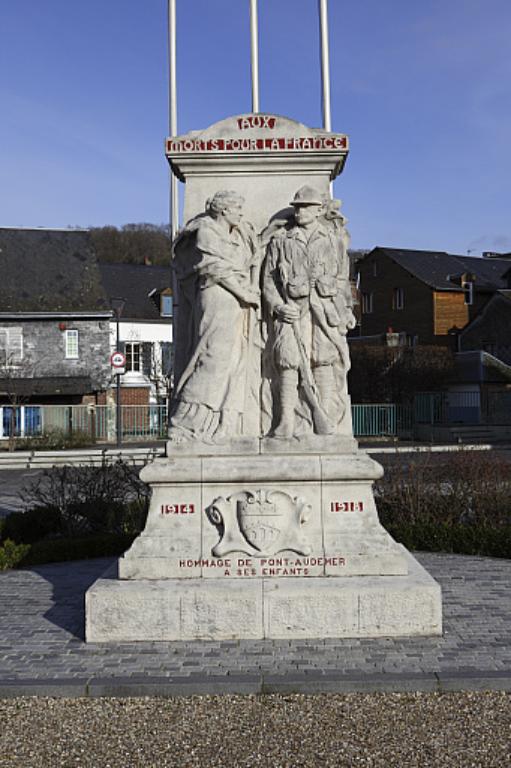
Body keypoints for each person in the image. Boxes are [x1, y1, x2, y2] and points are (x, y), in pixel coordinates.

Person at [263, 185, 355, 438]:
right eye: (297, 207)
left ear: (318, 210)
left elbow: (341, 280)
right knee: (288, 362)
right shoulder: (281, 241)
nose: (299, 211)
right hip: (292, 311)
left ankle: (324, 415)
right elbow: (269, 282)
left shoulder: (332, 240)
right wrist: (279, 307)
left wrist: (345, 310)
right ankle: (286, 422)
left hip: (324, 312)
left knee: (323, 361)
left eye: (305, 207)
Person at [169, 191, 260, 443]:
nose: (241, 213)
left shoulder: (236, 234)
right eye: (237, 208)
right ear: (223, 210)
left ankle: (221, 422)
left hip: (234, 302)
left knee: (233, 361)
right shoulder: (207, 231)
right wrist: (245, 293)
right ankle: (186, 419)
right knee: (212, 357)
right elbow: (216, 269)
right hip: (217, 297)